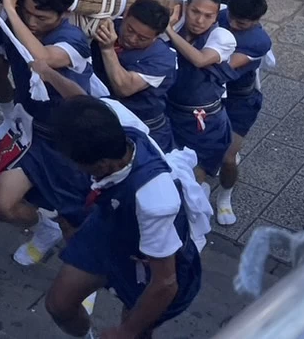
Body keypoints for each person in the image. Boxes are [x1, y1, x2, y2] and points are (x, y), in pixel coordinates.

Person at [44, 99, 204, 339]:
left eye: (78, 165)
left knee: (137, 327)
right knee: (59, 304)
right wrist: (46, 71)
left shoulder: (154, 200)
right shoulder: (114, 117)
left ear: (101, 165)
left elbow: (165, 283)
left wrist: (125, 331)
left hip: (146, 262)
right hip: (109, 229)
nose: (77, 169)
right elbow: (82, 100)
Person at [0, 0, 94, 269]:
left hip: (68, 143)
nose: (32, 22)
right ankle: (45, 226)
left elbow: (42, 55)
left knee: (74, 221)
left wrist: (12, 12)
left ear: (64, 13)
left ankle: (86, 278)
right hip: (30, 134)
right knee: (0, 205)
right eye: (27, 13)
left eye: (41, 18)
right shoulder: (21, 19)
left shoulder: (73, 39)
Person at [163, 0, 236, 188]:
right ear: (186, 8)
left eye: (208, 15)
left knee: (199, 174)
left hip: (204, 120)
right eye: (195, 12)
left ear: (215, 17)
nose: (200, 20)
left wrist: (167, 30)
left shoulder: (222, 36)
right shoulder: (177, 26)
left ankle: (223, 195)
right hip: (169, 112)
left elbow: (199, 59)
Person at [213, 0, 273, 226]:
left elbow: (221, 66)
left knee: (228, 157)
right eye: (233, 19)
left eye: (243, 23)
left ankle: (225, 197)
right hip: (209, 95)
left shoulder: (259, 41)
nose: (235, 25)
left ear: (257, 21)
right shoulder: (217, 15)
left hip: (240, 100)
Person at [90, 0, 177, 154]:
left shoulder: (162, 58)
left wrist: (107, 50)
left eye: (142, 38)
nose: (132, 38)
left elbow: (124, 87)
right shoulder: (109, 27)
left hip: (144, 127)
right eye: (130, 29)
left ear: (156, 37)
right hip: (103, 122)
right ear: (126, 15)